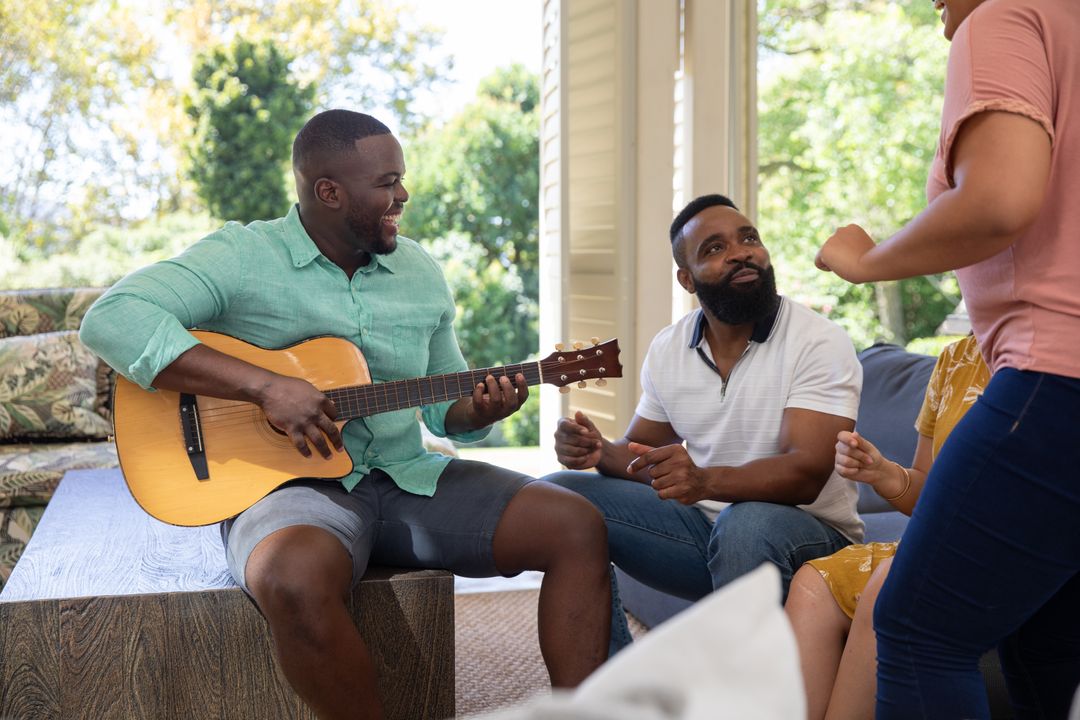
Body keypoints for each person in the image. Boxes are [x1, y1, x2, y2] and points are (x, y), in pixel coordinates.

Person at [79, 109, 611, 720]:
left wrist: (481, 407)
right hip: (289, 488)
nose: (402, 195)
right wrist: (264, 388)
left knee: (577, 524)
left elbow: (442, 410)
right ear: (328, 191)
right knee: (292, 581)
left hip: (408, 478)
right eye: (386, 183)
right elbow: (113, 317)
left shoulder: (419, 271)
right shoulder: (244, 255)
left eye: (401, 179)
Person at [815, 1, 1080, 715]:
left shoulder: (1002, 17)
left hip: (1057, 383)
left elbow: (997, 199)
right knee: (1043, 637)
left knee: (914, 630)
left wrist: (868, 261)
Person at [542, 193, 864, 651]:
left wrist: (704, 481)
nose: (740, 252)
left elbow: (806, 474)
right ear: (687, 279)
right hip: (707, 533)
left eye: (748, 238)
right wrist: (599, 451)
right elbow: (637, 453)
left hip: (811, 541)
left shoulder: (818, 341)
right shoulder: (670, 348)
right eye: (714, 248)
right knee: (560, 496)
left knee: (746, 526)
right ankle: (609, 681)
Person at [785, 334, 990, 720]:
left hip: (1025, 551)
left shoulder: (1052, 360)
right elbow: (929, 490)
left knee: (889, 584)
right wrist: (883, 473)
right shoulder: (956, 359)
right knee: (815, 582)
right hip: (941, 545)